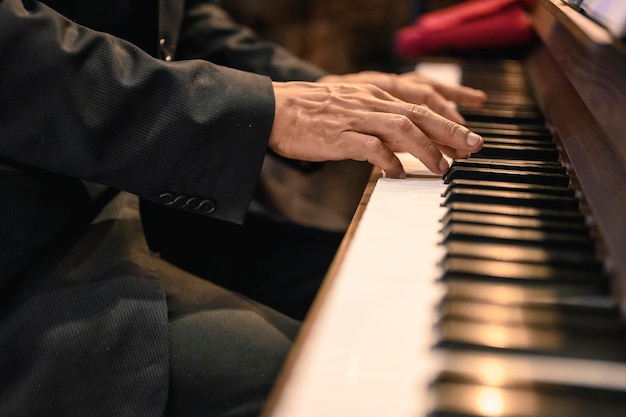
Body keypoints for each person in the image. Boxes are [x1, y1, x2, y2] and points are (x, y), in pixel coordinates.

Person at [0, 1, 486, 417]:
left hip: (120, 200)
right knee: (336, 380)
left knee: (394, 291)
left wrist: (318, 89)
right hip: (31, 241)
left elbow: (161, 17)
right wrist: (252, 109)